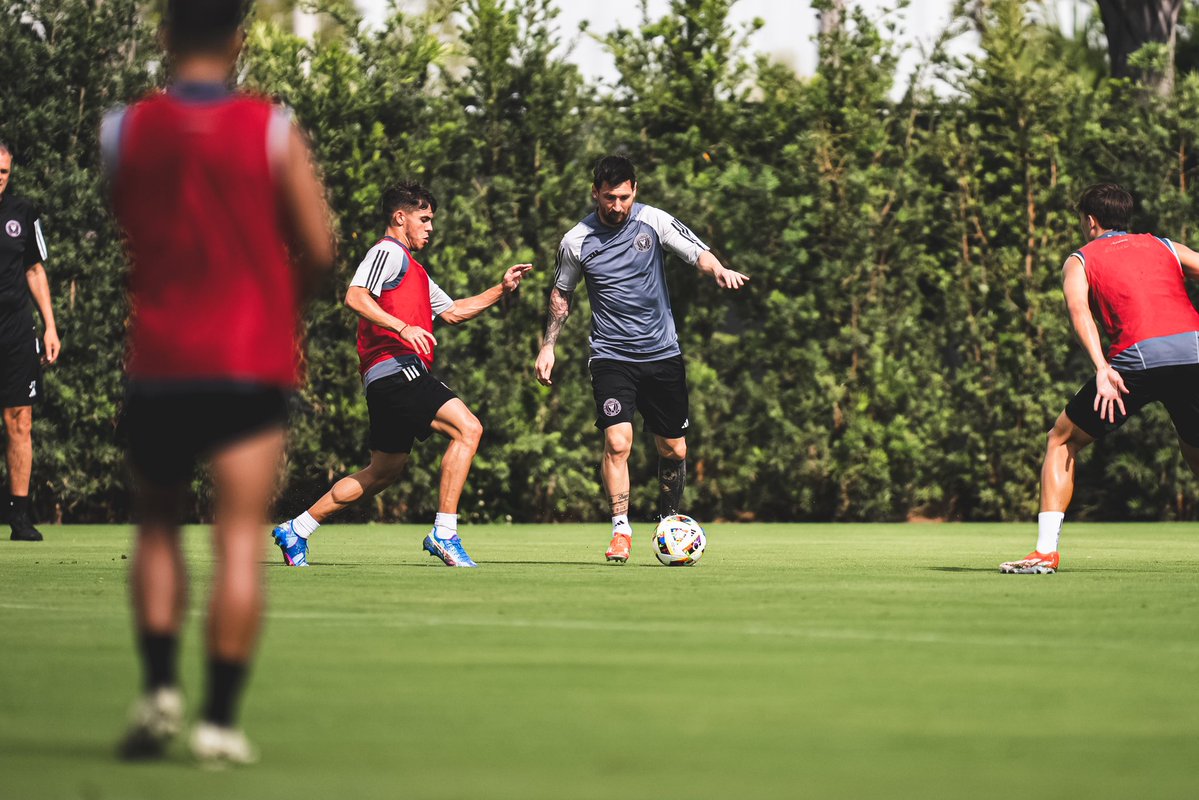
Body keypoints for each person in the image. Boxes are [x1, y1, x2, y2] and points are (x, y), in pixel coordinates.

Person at [101, 0, 335, 763]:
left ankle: (160, 690)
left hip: (161, 360)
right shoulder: (271, 129)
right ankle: (219, 721)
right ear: (239, 41)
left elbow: (127, 220)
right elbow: (320, 249)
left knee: (158, 528)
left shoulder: (124, 131)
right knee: (238, 537)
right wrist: (281, 304)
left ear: (165, 37)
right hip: (247, 362)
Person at [271, 181, 532, 569]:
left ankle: (297, 529)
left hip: (390, 376)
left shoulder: (417, 272)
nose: (430, 227)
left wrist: (501, 288)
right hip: (395, 368)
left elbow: (454, 311)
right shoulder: (387, 251)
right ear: (400, 217)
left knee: (383, 471)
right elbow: (355, 296)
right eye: (423, 219)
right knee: (468, 430)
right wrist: (401, 327)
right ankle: (444, 534)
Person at [535, 155, 748, 564]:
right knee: (618, 441)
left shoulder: (653, 221)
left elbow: (694, 251)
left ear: (635, 190)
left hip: (662, 354)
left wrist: (717, 269)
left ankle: (669, 523)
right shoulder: (576, 240)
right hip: (611, 356)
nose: (618, 206)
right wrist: (549, 345)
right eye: (610, 197)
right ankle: (621, 530)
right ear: (595, 191)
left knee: (675, 450)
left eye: (625, 197)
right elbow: (562, 293)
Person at [1002, 183, 1199, 574]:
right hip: (1194, 354)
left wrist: (1102, 368)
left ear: (1090, 221)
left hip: (1135, 362)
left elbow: (1079, 312)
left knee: (1061, 439)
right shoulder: (1165, 246)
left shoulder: (1080, 259)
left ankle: (1044, 553)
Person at [0, 141, 61, 542]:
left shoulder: (22, 212)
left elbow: (35, 270)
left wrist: (50, 326)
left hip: (16, 329)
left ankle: (18, 519)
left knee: (19, 419)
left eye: (2, 172)